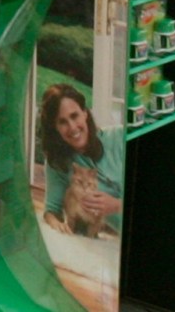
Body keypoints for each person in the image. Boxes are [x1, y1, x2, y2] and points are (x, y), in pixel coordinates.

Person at [39, 83, 125, 235]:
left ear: (85, 113)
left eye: (74, 116)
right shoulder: (59, 163)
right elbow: (51, 210)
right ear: (55, 128)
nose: (72, 127)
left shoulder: (120, 137)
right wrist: (57, 224)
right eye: (62, 122)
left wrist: (116, 205)